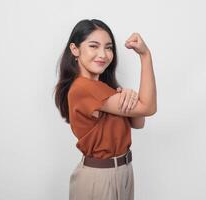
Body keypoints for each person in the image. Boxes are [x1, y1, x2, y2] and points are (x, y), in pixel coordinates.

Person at [53, 19, 157, 200]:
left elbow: (138, 121)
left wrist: (130, 95)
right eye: (94, 46)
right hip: (100, 177)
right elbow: (148, 108)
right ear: (75, 49)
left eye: (108, 48)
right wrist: (145, 55)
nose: (103, 54)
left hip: (122, 172)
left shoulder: (103, 88)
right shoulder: (83, 88)